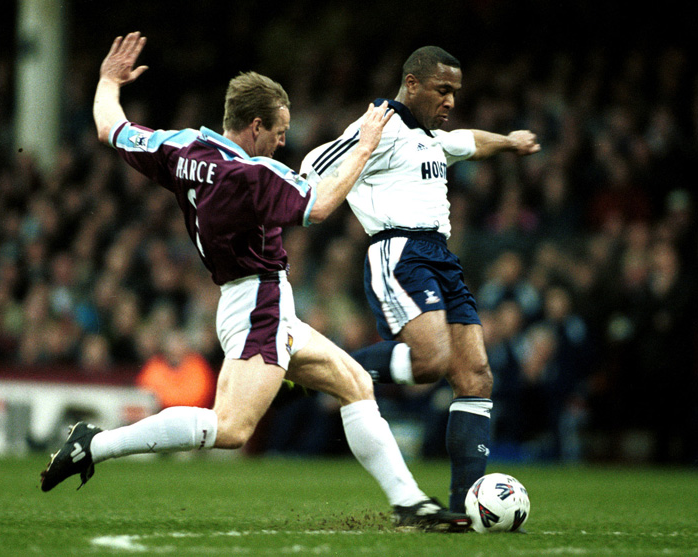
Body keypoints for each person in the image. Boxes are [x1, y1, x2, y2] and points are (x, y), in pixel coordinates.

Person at [40, 32, 471, 532]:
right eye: (280, 131)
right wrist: (366, 146)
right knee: (230, 429)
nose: (284, 141)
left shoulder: (181, 148)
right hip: (259, 303)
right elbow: (321, 204)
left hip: (256, 300)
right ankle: (95, 444)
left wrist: (108, 81)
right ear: (256, 125)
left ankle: (412, 506)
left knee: (354, 384)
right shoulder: (253, 174)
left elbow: (109, 127)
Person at [301, 46, 541, 513]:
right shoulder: (380, 126)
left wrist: (509, 142)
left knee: (475, 377)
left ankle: (465, 509)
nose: (450, 101)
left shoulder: (428, 136)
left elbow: (467, 142)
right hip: (399, 252)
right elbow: (315, 165)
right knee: (431, 362)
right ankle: (329, 370)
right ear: (412, 84)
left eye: (455, 92)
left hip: (441, 257)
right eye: (442, 90)